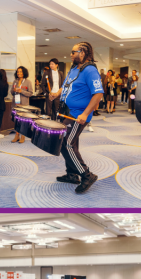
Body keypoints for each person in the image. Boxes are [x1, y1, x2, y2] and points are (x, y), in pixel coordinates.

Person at [55, 42, 104, 194]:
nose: (70, 54)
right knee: (70, 143)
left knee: (66, 143)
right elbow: (66, 86)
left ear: (82, 53)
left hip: (78, 115)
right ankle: (71, 174)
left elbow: (98, 94)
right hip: (66, 111)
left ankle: (86, 175)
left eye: (73, 52)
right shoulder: (74, 69)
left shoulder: (90, 70)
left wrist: (84, 114)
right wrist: (56, 94)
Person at [10, 66, 34, 142]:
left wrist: (21, 91)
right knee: (16, 120)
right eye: (18, 72)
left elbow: (30, 93)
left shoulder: (28, 82)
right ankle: (17, 135)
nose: (19, 73)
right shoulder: (15, 81)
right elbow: (11, 92)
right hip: (16, 104)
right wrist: (14, 90)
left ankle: (23, 136)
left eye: (20, 72)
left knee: (23, 120)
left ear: (24, 73)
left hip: (24, 105)